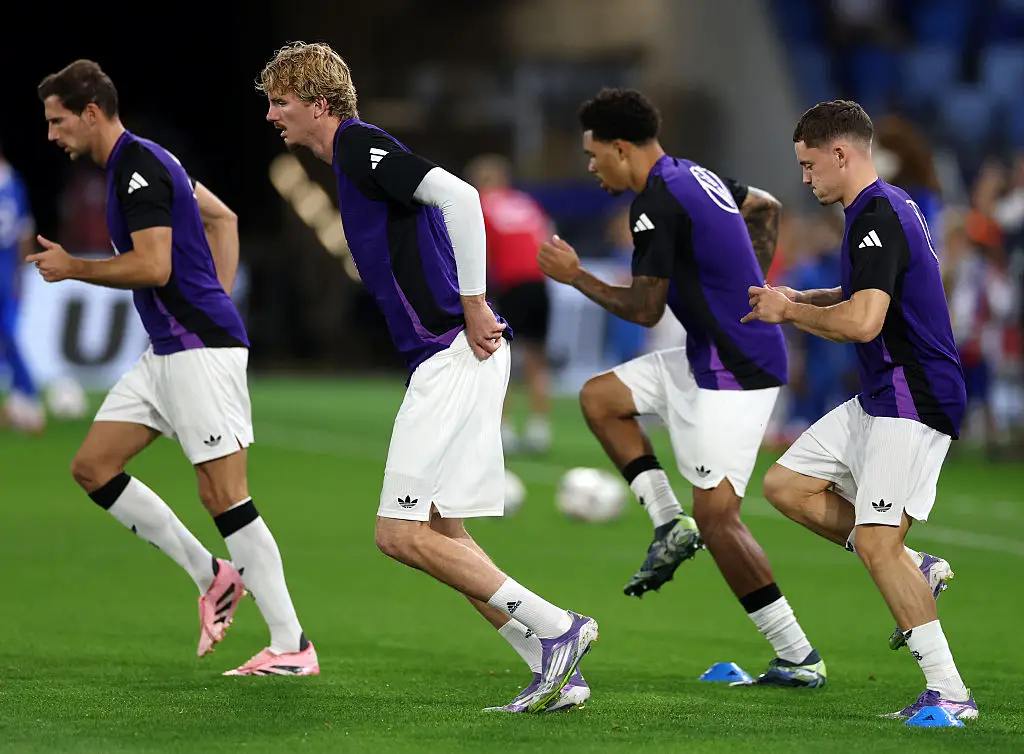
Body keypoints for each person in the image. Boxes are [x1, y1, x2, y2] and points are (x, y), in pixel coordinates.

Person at [256, 41, 598, 712]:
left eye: (280, 101)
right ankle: (553, 669)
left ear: (320, 104)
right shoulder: (349, 161)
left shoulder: (357, 146)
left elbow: (460, 197)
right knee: (443, 534)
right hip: (454, 355)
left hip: (453, 352)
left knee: (399, 534)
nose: (271, 115)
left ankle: (560, 628)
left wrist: (472, 301)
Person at [33, 59, 317, 676]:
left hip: (198, 350)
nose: (52, 135)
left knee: (224, 495)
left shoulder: (138, 168)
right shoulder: (144, 164)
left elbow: (154, 267)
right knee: (93, 466)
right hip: (170, 349)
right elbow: (224, 219)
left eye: (58, 122)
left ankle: (292, 645)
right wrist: (214, 294)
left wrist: (76, 267)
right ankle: (211, 574)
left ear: (90, 112)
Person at [538, 87, 826, 688]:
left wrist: (575, 276)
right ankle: (669, 523)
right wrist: (753, 286)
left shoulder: (656, 201)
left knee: (720, 520)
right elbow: (767, 207)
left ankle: (798, 656)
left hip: (737, 370)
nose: (591, 168)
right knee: (601, 398)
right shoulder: (693, 174)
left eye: (594, 156)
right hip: (710, 353)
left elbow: (645, 309)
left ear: (621, 148)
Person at [746, 100, 976, 720]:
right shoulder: (880, 210)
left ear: (840, 154)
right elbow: (860, 297)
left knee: (876, 544)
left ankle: (950, 693)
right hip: (885, 391)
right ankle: (914, 567)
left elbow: (863, 321)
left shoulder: (876, 214)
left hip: (914, 392)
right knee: (787, 486)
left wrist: (788, 313)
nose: (804, 178)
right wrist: (798, 295)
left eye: (808, 164)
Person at [464, 154, 553, 454]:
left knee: (500, 357)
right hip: (539, 283)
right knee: (537, 357)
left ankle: (504, 429)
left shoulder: (482, 206)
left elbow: (479, 252)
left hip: (512, 285)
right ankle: (540, 428)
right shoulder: (527, 204)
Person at [0, 142, 44, 432]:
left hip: (6, 273)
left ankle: (28, 393)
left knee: (8, 333)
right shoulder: (13, 183)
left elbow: (25, 231)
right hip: (7, 272)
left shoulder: (13, 183)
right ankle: (22, 395)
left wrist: (24, 272)